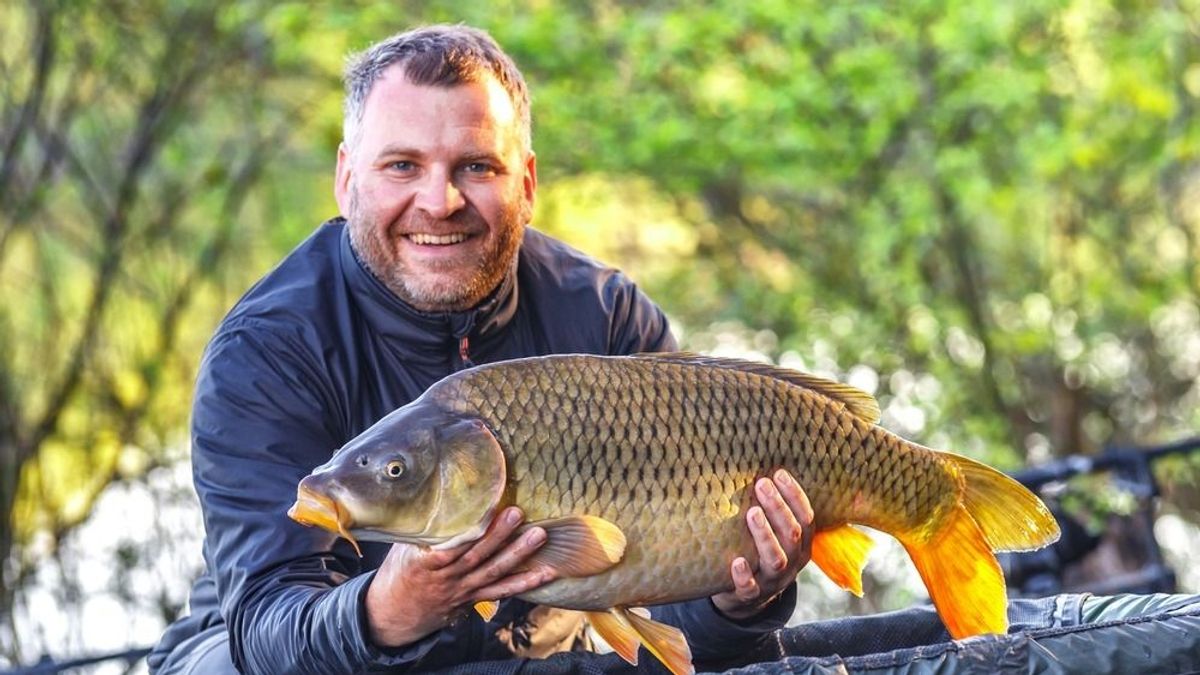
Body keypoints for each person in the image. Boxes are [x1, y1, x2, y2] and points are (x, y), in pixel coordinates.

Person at [148, 24, 812, 675]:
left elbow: (679, 638)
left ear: (526, 183)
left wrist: (736, 599)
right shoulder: (269, 351)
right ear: (347, 178)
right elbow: (268, 626)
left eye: (475, 165)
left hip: (532, 643)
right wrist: (391, 606)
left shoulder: (606, 319)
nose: (439, 201)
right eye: (402, 164)